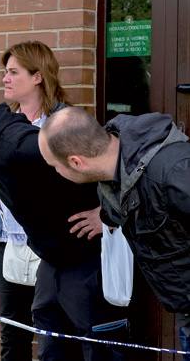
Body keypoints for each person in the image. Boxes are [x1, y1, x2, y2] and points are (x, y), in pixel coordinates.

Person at [0, 83, 126, 361]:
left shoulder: (20, 147)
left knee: (100, 352)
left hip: (86, 262)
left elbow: (104, 155)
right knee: (52, 350)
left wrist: (105, 212)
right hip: (52, 262)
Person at [38, 106, 190, 360]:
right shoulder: (114, 179)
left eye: (55, 166)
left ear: (76, 161)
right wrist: (106, 216)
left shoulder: (173, 169)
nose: (56, 173)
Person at [0, 41, 75, 361]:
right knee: (12, 333)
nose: (4, 78)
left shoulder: (65, 122)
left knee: (53, 333)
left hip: (51, 244)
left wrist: (100, 213)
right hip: (7, 240)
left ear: (37, 76)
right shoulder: (2, 123)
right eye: (4, 72)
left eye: (13, 72)